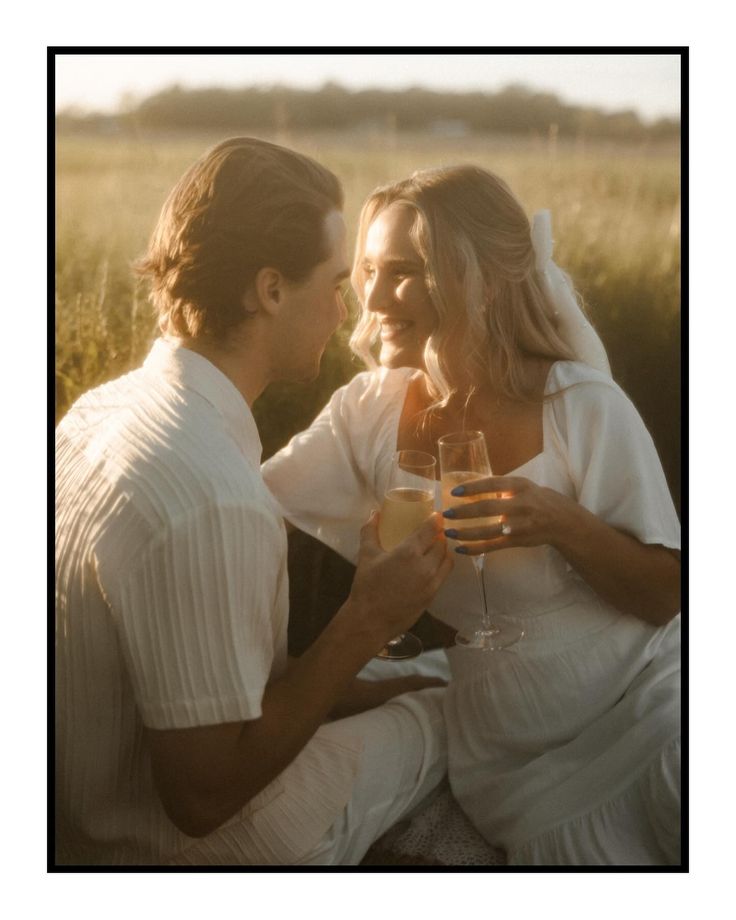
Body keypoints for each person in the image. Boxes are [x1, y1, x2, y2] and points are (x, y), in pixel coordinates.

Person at [262, 164, 681, 866]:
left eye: (404, 271)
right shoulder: (368, 411)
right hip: (507, 751)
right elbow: (247, 506)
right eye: (367, 268)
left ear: (472, 277)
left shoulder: (580, 405)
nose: (373, 295)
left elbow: (666, 592)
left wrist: (561, 522)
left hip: (637, 705)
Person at [55, 137, 455, 867]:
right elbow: (203, 800)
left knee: (422, 678)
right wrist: (368, 617)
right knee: (445, 713)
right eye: (337, 284)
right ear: (270, 290)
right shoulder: (213, 496)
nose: (345, 313)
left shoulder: (97, 413)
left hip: (83, 806)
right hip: (166, 846)